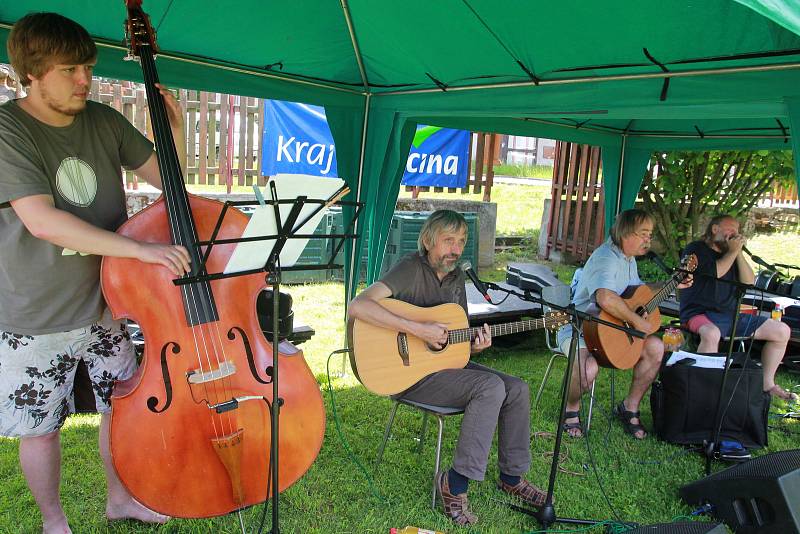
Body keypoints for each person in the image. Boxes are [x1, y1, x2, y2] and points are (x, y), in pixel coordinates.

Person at [0, 13, 192, 534]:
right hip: (36, 314)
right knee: (40, 430)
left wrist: (171, 129)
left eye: (87, 67)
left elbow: (166, 180)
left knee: (121, 408)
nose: (85, 80)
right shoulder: (7, 128)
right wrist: (139, 252)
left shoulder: (103, 120)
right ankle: (53, 523)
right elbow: (42, 222)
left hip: (109, 305)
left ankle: (120, 499)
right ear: (32, 73)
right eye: (70, 70)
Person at [348, 210, 543, 526]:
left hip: (443, 369)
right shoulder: (411, 268)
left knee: (516, 388)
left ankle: (512, 475)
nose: (456, 249)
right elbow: (358, 306)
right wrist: (417, 329)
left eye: (462, 241)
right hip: (408, 375)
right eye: (448, 240)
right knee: (490, 387)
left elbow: (455, 332)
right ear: (428, 241)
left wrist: (474, 345)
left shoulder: (457, 277)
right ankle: (454, 484)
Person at [555, 209, 692, 439]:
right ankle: (571, 408)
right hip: (580, 328)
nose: (648, 239)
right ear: (625, 233)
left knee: (656, 348)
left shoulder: (628, 259)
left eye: (650, 234)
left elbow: (638, 294)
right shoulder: (606, 258)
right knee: (588, 369)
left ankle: (629, 407)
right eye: (644, 234)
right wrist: (638, 321)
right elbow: (605, 298)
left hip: (614, 330)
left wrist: (672, 284)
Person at [679, 214, 795, 400]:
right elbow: (715, 272)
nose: (735, 234)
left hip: (731, 315)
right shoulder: (696, 249)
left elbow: (748, 281)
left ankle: (767, 384)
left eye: (737, 231)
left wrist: (738, 252)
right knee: (711, 334)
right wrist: (732, 252)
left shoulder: (732, 254)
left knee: (781, 330)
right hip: (699, 312)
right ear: (715, 229)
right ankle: (704, 389)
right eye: (730, 229)